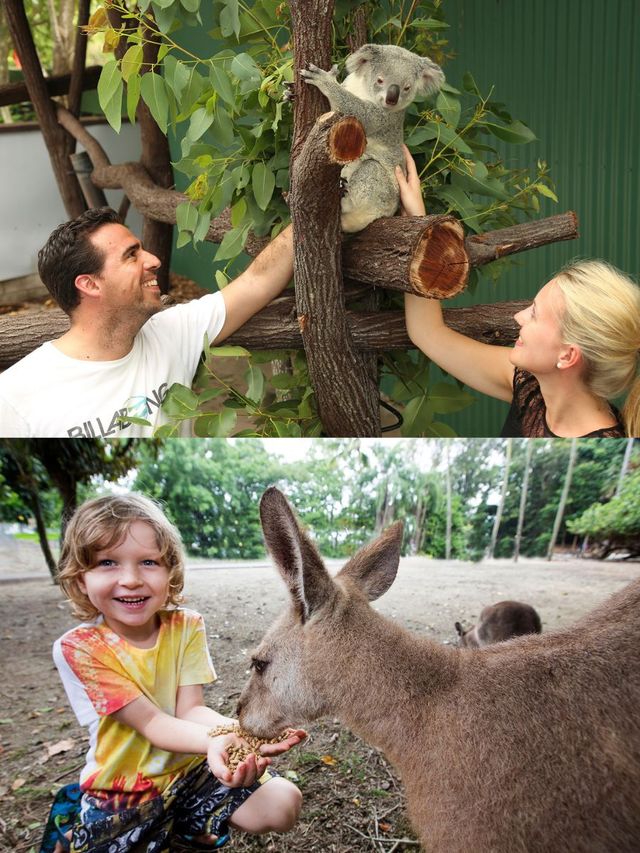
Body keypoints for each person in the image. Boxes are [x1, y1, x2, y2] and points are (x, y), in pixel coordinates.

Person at [49, 493, 305, 853]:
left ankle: (186, 825)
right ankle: (73, 828)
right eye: (108, 562)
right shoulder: (80, 648)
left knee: (283, 803)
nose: (132, 579)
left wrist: (244, 735)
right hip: (122, 793)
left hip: (189, 771)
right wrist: (217, 739)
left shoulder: (185, 626)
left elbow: (190, 710)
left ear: (171, 572)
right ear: (80, 581)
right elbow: (151, 723)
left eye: (149, 562)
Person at [396, 147, 640, 438]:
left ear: (567, 356)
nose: (518, 316)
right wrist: (419, 225)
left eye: (535, 315)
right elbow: (428, 333)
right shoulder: (532, 387)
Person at [0, 208, 294, 438]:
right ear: (90, 284)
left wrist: (316, 205)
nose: (154, 260)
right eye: (131, 256)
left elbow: (258, 282)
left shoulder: (173, 331)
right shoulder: (14, 396)